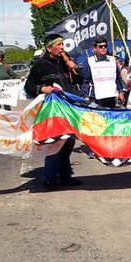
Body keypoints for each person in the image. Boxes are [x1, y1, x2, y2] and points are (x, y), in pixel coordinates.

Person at [24, 33, 83, 190]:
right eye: (59, 45)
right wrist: (42, 88)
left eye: (63, 44)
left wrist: (74, 68)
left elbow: (80, 80)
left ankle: (65, 176)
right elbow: (28, 86)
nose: (63, 48)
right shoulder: (40, 65)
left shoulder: (65, 62)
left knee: (69, 141)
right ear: (49, 48)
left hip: (69, 107)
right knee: (55, 142)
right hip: (53, 110)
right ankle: (50, 178)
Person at [80, 37, 125, 109]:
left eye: (105, 46)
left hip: (111, 97)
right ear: (94, 49)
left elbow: (117, 78)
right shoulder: (89, 61)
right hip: (96, 98)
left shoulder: (112, 60)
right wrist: (85, 96)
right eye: (100, 46)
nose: (103, 48)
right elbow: (84, 81)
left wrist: (121, 92)